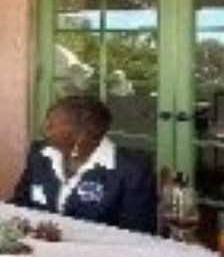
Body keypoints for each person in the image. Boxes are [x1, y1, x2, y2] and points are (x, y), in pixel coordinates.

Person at [10, 95, 157, 233]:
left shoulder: (131, 171)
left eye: (51, 125)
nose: (44, 129)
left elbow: (137, 233)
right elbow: (18, 204)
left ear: (81, 134)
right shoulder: (40, 155)